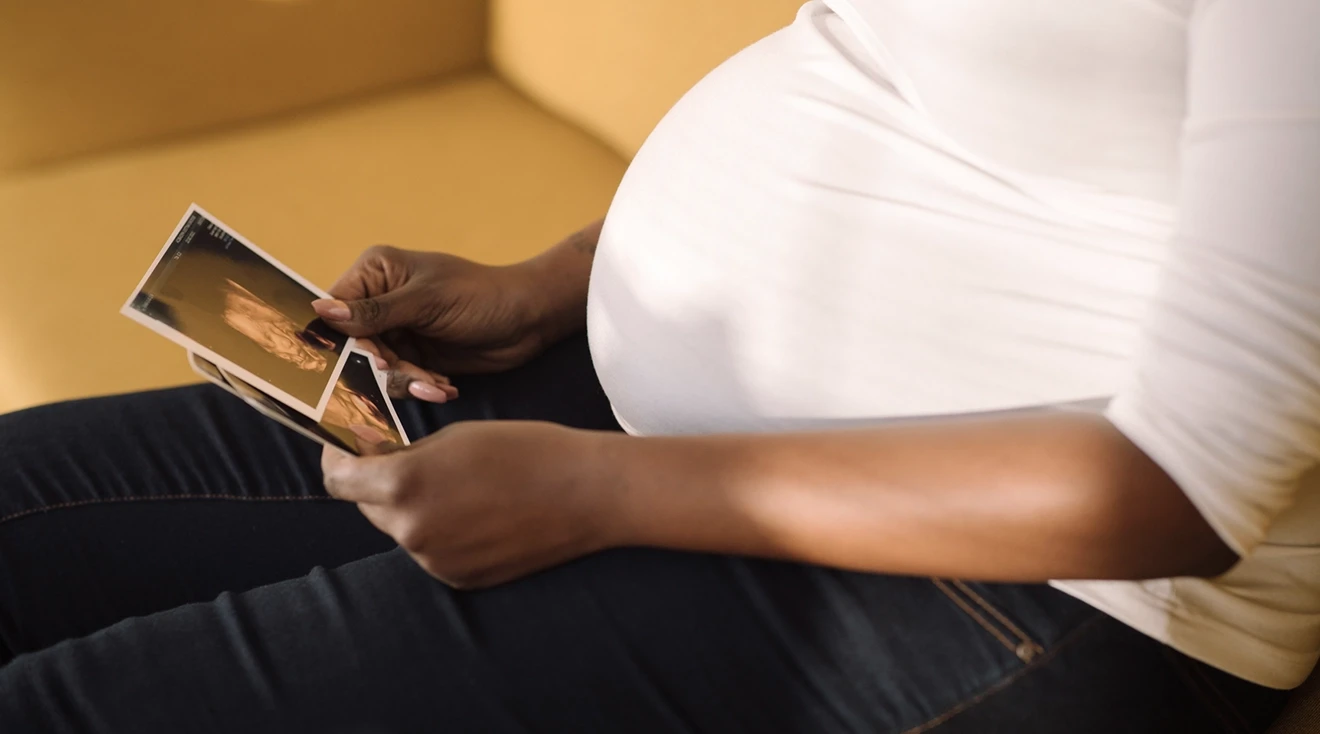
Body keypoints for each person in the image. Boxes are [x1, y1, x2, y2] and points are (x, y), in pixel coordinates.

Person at [1, 0, 1315, 730]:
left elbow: (1184, 486)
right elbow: (874, 68)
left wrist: (595, 494)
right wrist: (560, 280)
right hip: (615, 411)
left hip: (1022, 586)